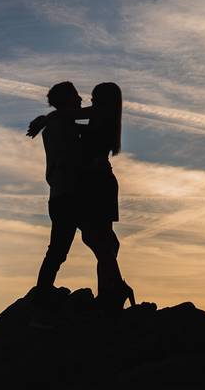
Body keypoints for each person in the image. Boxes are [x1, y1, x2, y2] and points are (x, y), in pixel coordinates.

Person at [28, 81, 134, 311]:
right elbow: (71, 123)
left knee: (98, 242)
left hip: (90, 187)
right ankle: (112, 290)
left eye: (94, 98)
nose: (84, 100)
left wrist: (47, 117)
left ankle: (111, 291)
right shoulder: (73, 123)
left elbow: (73, 118)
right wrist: (49, 118)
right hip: (82, 189)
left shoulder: (93, 118)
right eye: (78, 95)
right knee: (100, 242)